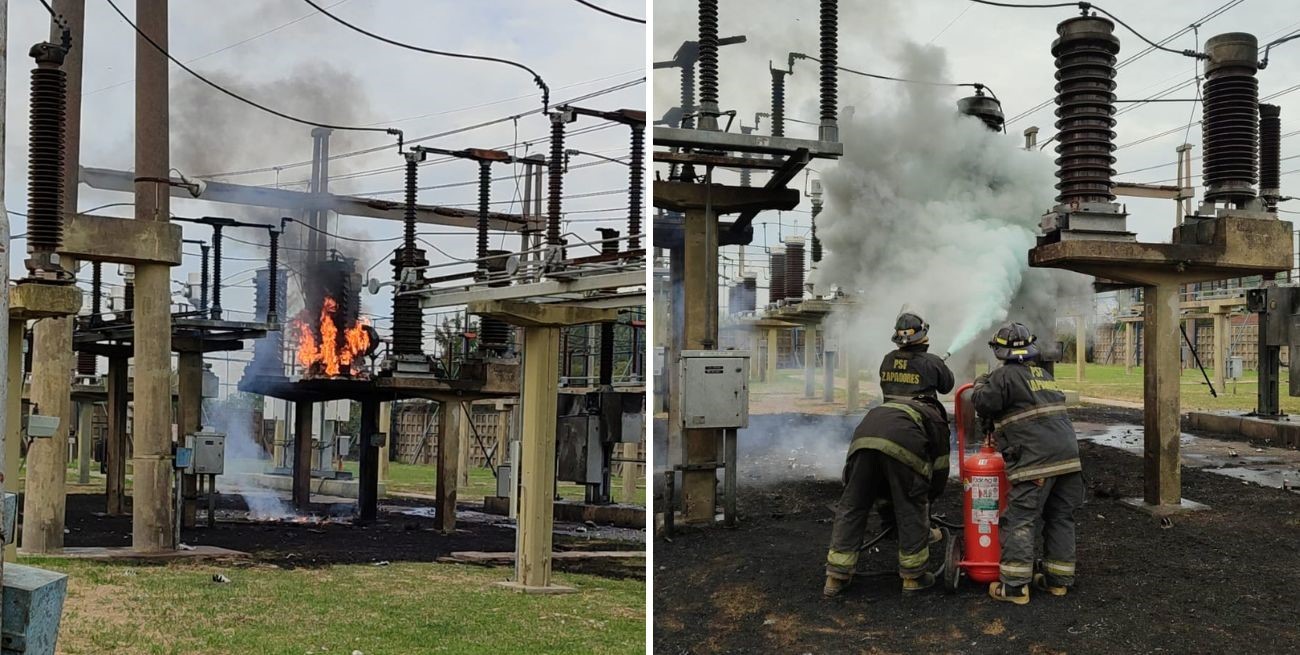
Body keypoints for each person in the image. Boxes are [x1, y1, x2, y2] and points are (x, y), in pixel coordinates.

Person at [971, 322, 1084, 605]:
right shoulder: (1043, 374)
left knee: (1020, 519)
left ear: (1000, 351)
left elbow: (984, 403)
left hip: (1036, 461)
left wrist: (979, 383)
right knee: (1060, 517)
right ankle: (1058, 582)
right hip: (1069, 458)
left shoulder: (1004, 376)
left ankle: (1015, 587)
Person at [823, 395, 950, 597]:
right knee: (910, 505)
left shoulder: (890, 407)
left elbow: (873, 479)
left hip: (862, 445)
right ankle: (913, 578)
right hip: (902, 445)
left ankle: (836, 576)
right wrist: (925, 499)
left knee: (853, 505)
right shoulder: (936, 419)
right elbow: (941, 469)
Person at [879, 312, 956, 402]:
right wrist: (940, 367)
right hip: (922, 415)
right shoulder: (932, 362)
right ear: (922, 335)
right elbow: (946, 388)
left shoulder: (888, 359)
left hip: (891, 412)